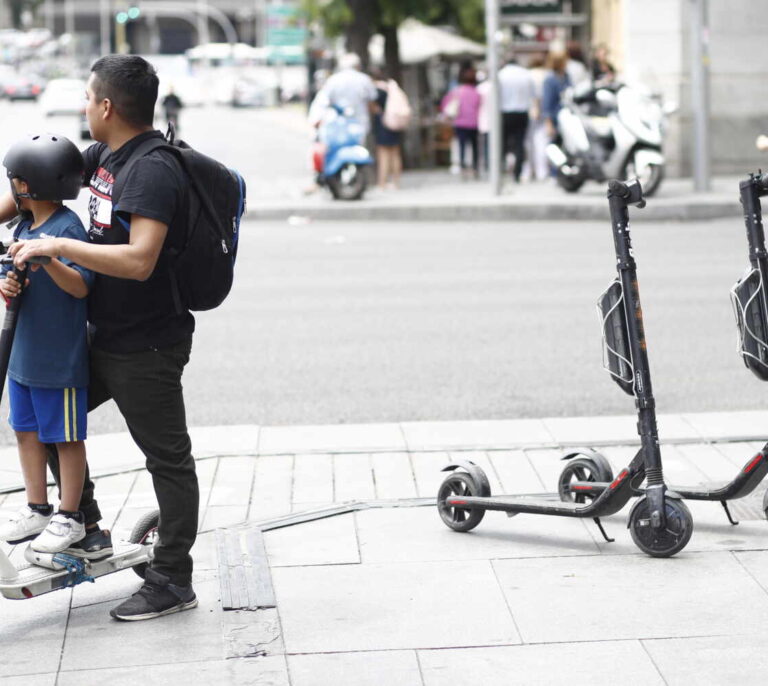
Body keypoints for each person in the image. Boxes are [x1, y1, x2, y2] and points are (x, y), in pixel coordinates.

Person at [1, 54, 199, 622]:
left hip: (147, 343)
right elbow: (33, 189)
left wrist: (57, 247)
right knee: (48, 420)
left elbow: (139, 261)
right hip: (98, 334)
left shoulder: (152, 169)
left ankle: (172, 578)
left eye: (88, 98)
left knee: (167, 458)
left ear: (106, 106)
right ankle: (80, 525)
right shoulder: (102, 157)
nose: (84, 107)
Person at [0, 134, 93, 554]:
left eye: (15, 181)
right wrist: (9, 282)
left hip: (58, 360)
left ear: (31, 184)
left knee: (65, 438)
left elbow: (79, 287)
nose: (12, 188)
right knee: (25, 431)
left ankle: (71, 515)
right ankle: (37, 506)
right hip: (23, 354)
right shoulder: (24, 225)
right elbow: (20, 280)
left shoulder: (66, 229)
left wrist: (49, 258)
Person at [497, 54, 537, 183]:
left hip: (505, 112)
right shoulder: (525, 74)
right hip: (522, 112)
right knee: (520, 144)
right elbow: (533, 95)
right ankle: (517, 173)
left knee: (502, 144)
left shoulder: (501, 75)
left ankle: (500, 171)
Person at [321, 53, 378, 136]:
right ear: (357, 65)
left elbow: (327, 101)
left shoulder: (333, 80)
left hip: (338, 122)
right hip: (360, 122)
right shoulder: (364, 79)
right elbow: (371, 102)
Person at [441, 66, 481, 176]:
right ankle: (475, 167)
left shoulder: (457, 92)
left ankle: (463, 166)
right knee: (474, 146)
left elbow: (445, 105)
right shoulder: (476, 92)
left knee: (462, 145)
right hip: (474, 123)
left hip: (460, 123)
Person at [371, 68, 403, 190]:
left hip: (383, 123)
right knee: (395, 153)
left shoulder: (376, 90)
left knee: (383, 154)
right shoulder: (391, 87)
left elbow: (374, 108)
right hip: (394, 122)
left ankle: (382, 182)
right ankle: (396, 182)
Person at [542, 52, 572, 145]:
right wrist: (549, 123)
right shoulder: (550, 80)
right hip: (555, 117)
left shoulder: (566, 76)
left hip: (567, 116)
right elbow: (547, 103)